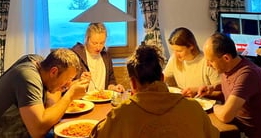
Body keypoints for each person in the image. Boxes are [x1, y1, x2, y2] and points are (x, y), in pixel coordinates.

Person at [91, 44, 219, 138]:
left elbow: (97, 135)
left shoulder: (120, 115)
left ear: (133, 83)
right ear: (162, 78)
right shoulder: (194, 108)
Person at [0, 49, 90, 138]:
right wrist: (69, 96)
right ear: (53, 72)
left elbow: (51, 96)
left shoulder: (39, 64)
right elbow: (38, 130)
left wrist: (62, 89)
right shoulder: (27, 76)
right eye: (68, 79)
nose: (69, 84)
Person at [197, 32, 261, 138]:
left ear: (226, 58)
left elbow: (226, 116)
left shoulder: (248, 74)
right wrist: (211, 88)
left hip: (248, 134)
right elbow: (232, 85)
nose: (208, 65)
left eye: (210, 61)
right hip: (235, 127)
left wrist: (214, 107)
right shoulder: (228, 67)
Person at [163, 27, 221, 99]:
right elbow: (164, 78)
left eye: (179, 51)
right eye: (173, 50)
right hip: (185, 103)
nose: (175, 54)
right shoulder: (174, 59)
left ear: (191, 46)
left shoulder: (208, 62)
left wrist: (198, 92)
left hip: (205, 105)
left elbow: (221, 93)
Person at [71, 22, 125, 92]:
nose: (98, 47)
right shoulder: (75, 56)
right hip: (82, 101)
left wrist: (114, 88)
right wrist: (79, 81)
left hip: (102, 99)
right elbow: (64, 87)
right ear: (87, 39)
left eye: (102, 43)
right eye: (95, 43)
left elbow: (110, 82)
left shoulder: (106, 56)